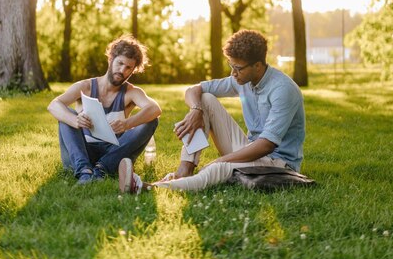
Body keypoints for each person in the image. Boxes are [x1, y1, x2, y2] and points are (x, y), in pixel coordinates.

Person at [118, 29, 305, 193]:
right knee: (204, 99)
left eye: (238, 68)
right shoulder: (242, 79)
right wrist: (196, 110)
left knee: (219, 168)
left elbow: (266, 145)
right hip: (250, 148)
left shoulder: (282, 90)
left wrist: (222, 160)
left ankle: (148, 187)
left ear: (257, 65)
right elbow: (194, 90)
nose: (233, 73)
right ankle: (185, 171)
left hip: (278, 163)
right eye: (231, 66)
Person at [48, 35, 161, 185]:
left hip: (113, 154)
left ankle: (101, 169)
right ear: (110, 59)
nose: (122, 70)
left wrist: (127, 124)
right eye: (120, 63)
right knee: (66, 116)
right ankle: (84, 172)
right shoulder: (85, 87)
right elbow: (54, 104)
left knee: (151, 120)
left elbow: (155, 109)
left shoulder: (131, 92)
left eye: (128, 68)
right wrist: (75, 120)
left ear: (133, 70)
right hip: (82, 152)